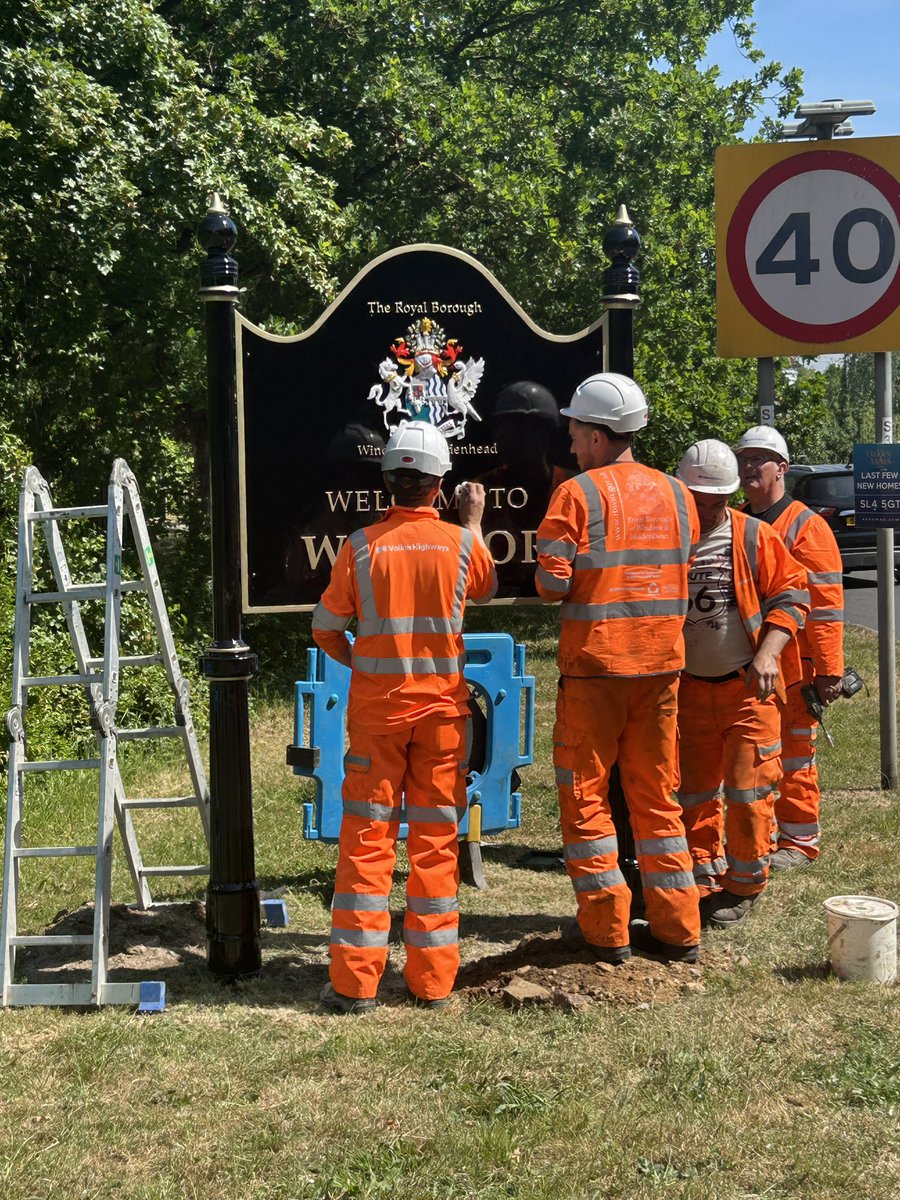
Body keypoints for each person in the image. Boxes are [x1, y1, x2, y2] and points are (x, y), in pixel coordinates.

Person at [311, 419, 497, 1013]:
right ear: (439, 483)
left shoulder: (360, 547)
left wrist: (364, 663)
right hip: (443, 719)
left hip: (377, 718)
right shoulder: (464, 545)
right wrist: (471, 521)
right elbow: (486, 589)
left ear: (389, 481)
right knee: (436, 844)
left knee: (367, 843)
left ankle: (354, 985)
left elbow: (325, 629)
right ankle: (433, 984)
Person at [535, 372, 702, 964]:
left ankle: (608, 932)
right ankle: (679, 929)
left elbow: (551, 586)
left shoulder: (577, 495)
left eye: (577, 431)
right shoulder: (680, 495)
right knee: (656, 798)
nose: (572, 443)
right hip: (660, 668)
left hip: (596, 668)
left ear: (601, 434)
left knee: (585, 797)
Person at [674, 440, 809, 925]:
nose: (708, 511)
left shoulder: (754, 537)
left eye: (718, 501)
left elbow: (794, 594)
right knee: (692, 791)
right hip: (687, 688)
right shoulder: (668, 539)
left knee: (748, 791)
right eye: (699, 501)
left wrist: (770, 652)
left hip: (746, 689)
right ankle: (701, 872)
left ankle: (744, 883)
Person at [735, 426, 844, 870]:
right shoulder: (738, 519)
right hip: (746, 662)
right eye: (743, 459)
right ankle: (756, 838)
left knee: (795, 752)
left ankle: (798, 841)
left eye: (757, 459)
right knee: (755, 755)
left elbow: (827, 606)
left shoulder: (806, 526)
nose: (748, 467)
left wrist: (829, 670)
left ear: (781, 468)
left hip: (795, 667)